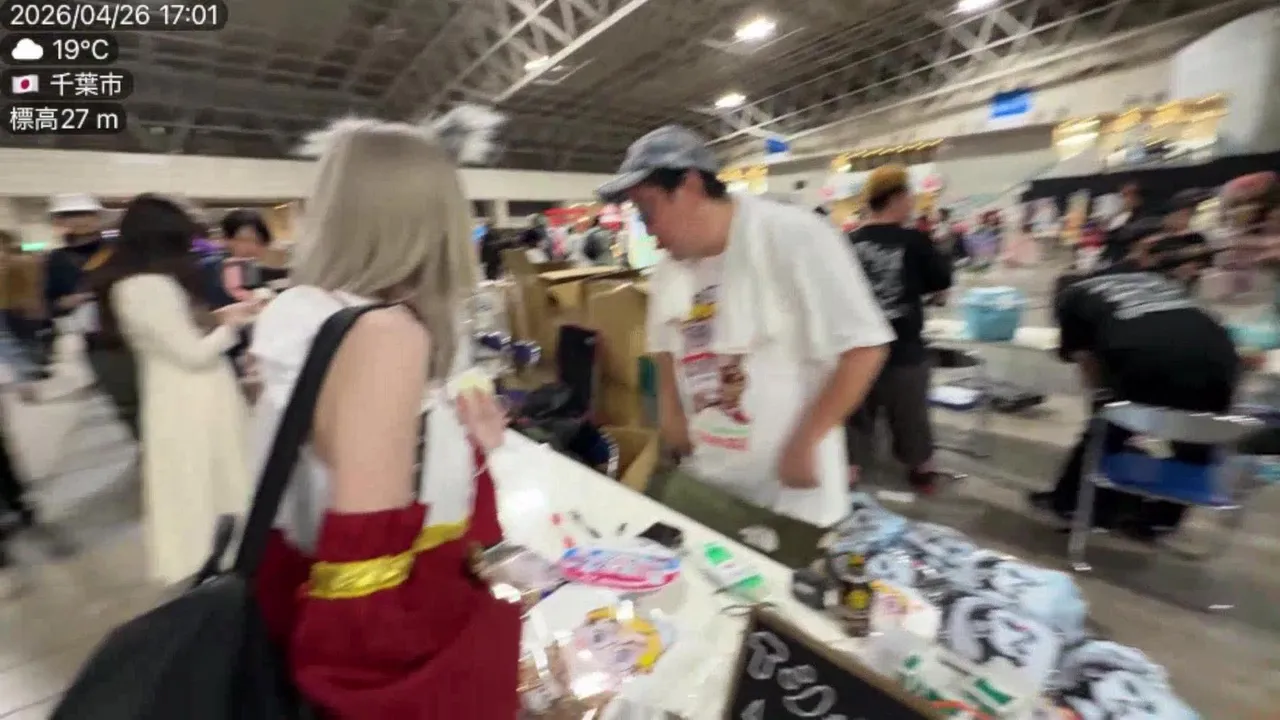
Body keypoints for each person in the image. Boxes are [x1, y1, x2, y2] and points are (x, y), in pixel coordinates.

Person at [250, 110, 520, 717]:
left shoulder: (314, 319)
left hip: (298, 620)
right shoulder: (384, 336)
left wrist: (466, 448)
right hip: (403, 660)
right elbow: (362, 607)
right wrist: (490, 646)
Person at [598, 125, 893, 527]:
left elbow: (865, 347)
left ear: (690, 186)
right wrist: (671, 412)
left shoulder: (795, 237)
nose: (648, 229)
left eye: (648, 210)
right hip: (710, 480)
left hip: (790, 496)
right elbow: (665, 344)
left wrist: (807, 440)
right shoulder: (670, 269)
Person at [103, 194, 257, 585]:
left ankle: (218, 562)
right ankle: (217, 568)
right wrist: (233, 327)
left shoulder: (137, 283)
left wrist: (223, 316)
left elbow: (175, 335)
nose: (191, 249)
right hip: (191, 400)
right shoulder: (148, 286)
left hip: (182, 397)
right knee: (206, 485)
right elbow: (192, 353)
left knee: (203, 485)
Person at [1031, 270, 1240, 539]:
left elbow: (1087, 362)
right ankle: (1161, 520)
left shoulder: (1071, 298)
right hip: (1221, 357)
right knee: (1198, 437)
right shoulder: (1153, 280)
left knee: (1104, 432)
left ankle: (1073, 504)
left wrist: (1103, 402)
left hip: (1144, 360)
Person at [845, 165, 955, 493]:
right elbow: (941, 287)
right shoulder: (915, 241)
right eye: (909, 196)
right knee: (911, 417)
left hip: (854, 350)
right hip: (903, 349)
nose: (912, 202)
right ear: (896, 197)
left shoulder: (846, 242)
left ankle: (849, 471)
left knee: (852, 415)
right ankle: (921, 472)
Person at [44, 194, 142, 438]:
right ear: (60, 221)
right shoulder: (56, 259)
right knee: (124, 400)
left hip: (134, 330)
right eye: (70, 215)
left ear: (97, 217)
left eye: (85, 214)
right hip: (97, 341)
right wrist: (65, 302)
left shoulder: (118, 249)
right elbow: (49, 301)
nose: (79, 220)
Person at [1126, 189, 1211, 289]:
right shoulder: (1146, 233)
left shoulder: (1195, 237)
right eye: (1185, 214)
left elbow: (1204, 259)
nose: (1188, 219)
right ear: (1171, 215)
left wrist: (1194, 266)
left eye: (1192, 214)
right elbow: (1136, 264)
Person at [219, 209, 272, 303]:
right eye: (244, 240)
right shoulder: (224, 267)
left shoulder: (257, 269)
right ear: (226, 240)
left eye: (258, 241)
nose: (251, 247)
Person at [1100, 180, 1149, 265]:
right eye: (1124, 195)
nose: (1126, 199)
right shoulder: (1122, 212)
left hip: (1125, 253)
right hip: (1111, 250)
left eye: (1130, 195)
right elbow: (1105, 227)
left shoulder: (1142, 216)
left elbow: (1123, 235)